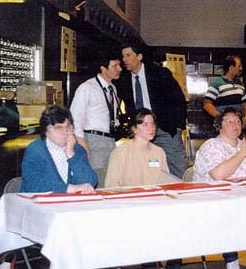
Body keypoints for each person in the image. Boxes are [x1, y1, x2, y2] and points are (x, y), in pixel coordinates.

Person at [192, 107, 246, 269]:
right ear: (219, 126)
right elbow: (219, 175)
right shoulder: (212, 146)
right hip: (213, 204)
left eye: (238, 121)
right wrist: (242, 153)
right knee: (230, 214)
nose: (235, 125)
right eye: (229, 121)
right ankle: (232, 260)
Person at [105, 108, 181, 269]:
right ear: (134, 128)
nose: (151, 128)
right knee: (151, 232)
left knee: (180, 231)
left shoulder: (159, 152)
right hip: (132, 209)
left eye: (152, 124)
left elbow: (166, 182)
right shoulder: (121, 152)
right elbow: (111, 187)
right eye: (145, 124)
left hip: (156, 207)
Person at [114, 43, 188, 179]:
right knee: (148, 167)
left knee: (176, 167)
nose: (124, 59)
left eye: (128, 55)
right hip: (140, 132)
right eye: (123, 56)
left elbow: (179, 100)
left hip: (165, 129)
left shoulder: (159, 74)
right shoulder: (123, 80)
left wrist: (177, 126)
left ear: (139, 56)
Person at [70, 51, 123, 188]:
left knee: (110, 181)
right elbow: (75, 119)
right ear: (103, 68)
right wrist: (83, 145)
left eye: (119, 65)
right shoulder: (87, 88)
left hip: (110, 140)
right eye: (115, 66)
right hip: (93, 140)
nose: (119, 69)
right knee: (96, 181)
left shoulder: (113, 88)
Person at [20, 105, 97, 193]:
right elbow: (33, 184)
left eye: (68, 127)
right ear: (45, 131)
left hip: (69, 204)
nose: (65, 132)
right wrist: (69, 188)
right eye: (58, 128)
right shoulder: (35, 150)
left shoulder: (77, 149)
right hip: (38, 204)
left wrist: (72, 155)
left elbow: (90, 181)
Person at [203, 55, 246, 128]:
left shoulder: (240, 84)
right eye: (239, 66)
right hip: (223, 127)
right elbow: (207, 104)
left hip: (237, 126)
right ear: (231, 68)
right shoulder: (216, 83)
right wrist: (220, 118)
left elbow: (244, 104)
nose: (241, 68)